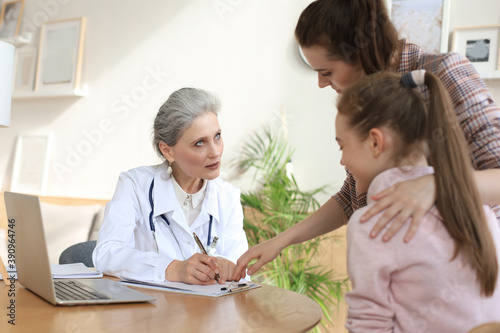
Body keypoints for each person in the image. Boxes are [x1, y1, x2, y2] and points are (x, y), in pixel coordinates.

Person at [232, 0, 500, 280]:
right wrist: (281, 241)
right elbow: (351, 197)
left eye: (326, 72)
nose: (322, 84)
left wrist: (433, 185)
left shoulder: (443, 73)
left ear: (360, 53)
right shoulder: (366, 98)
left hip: (473, 276)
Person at [338, 70, 500, 332]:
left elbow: (369, 325)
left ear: (375, 142)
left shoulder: (371, 222)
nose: (342, 160)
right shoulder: (482, 210)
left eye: (341, 146)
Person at [93, 87, 248, 285]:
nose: (215, 152)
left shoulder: (228, 197)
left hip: (208, 313)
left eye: (217, 136)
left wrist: (231, 269)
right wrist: (173, 268)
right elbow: (106, 253)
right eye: (200, 143)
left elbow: (242, 276)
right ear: (167, 151)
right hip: (149, 311)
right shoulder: (134, 185)